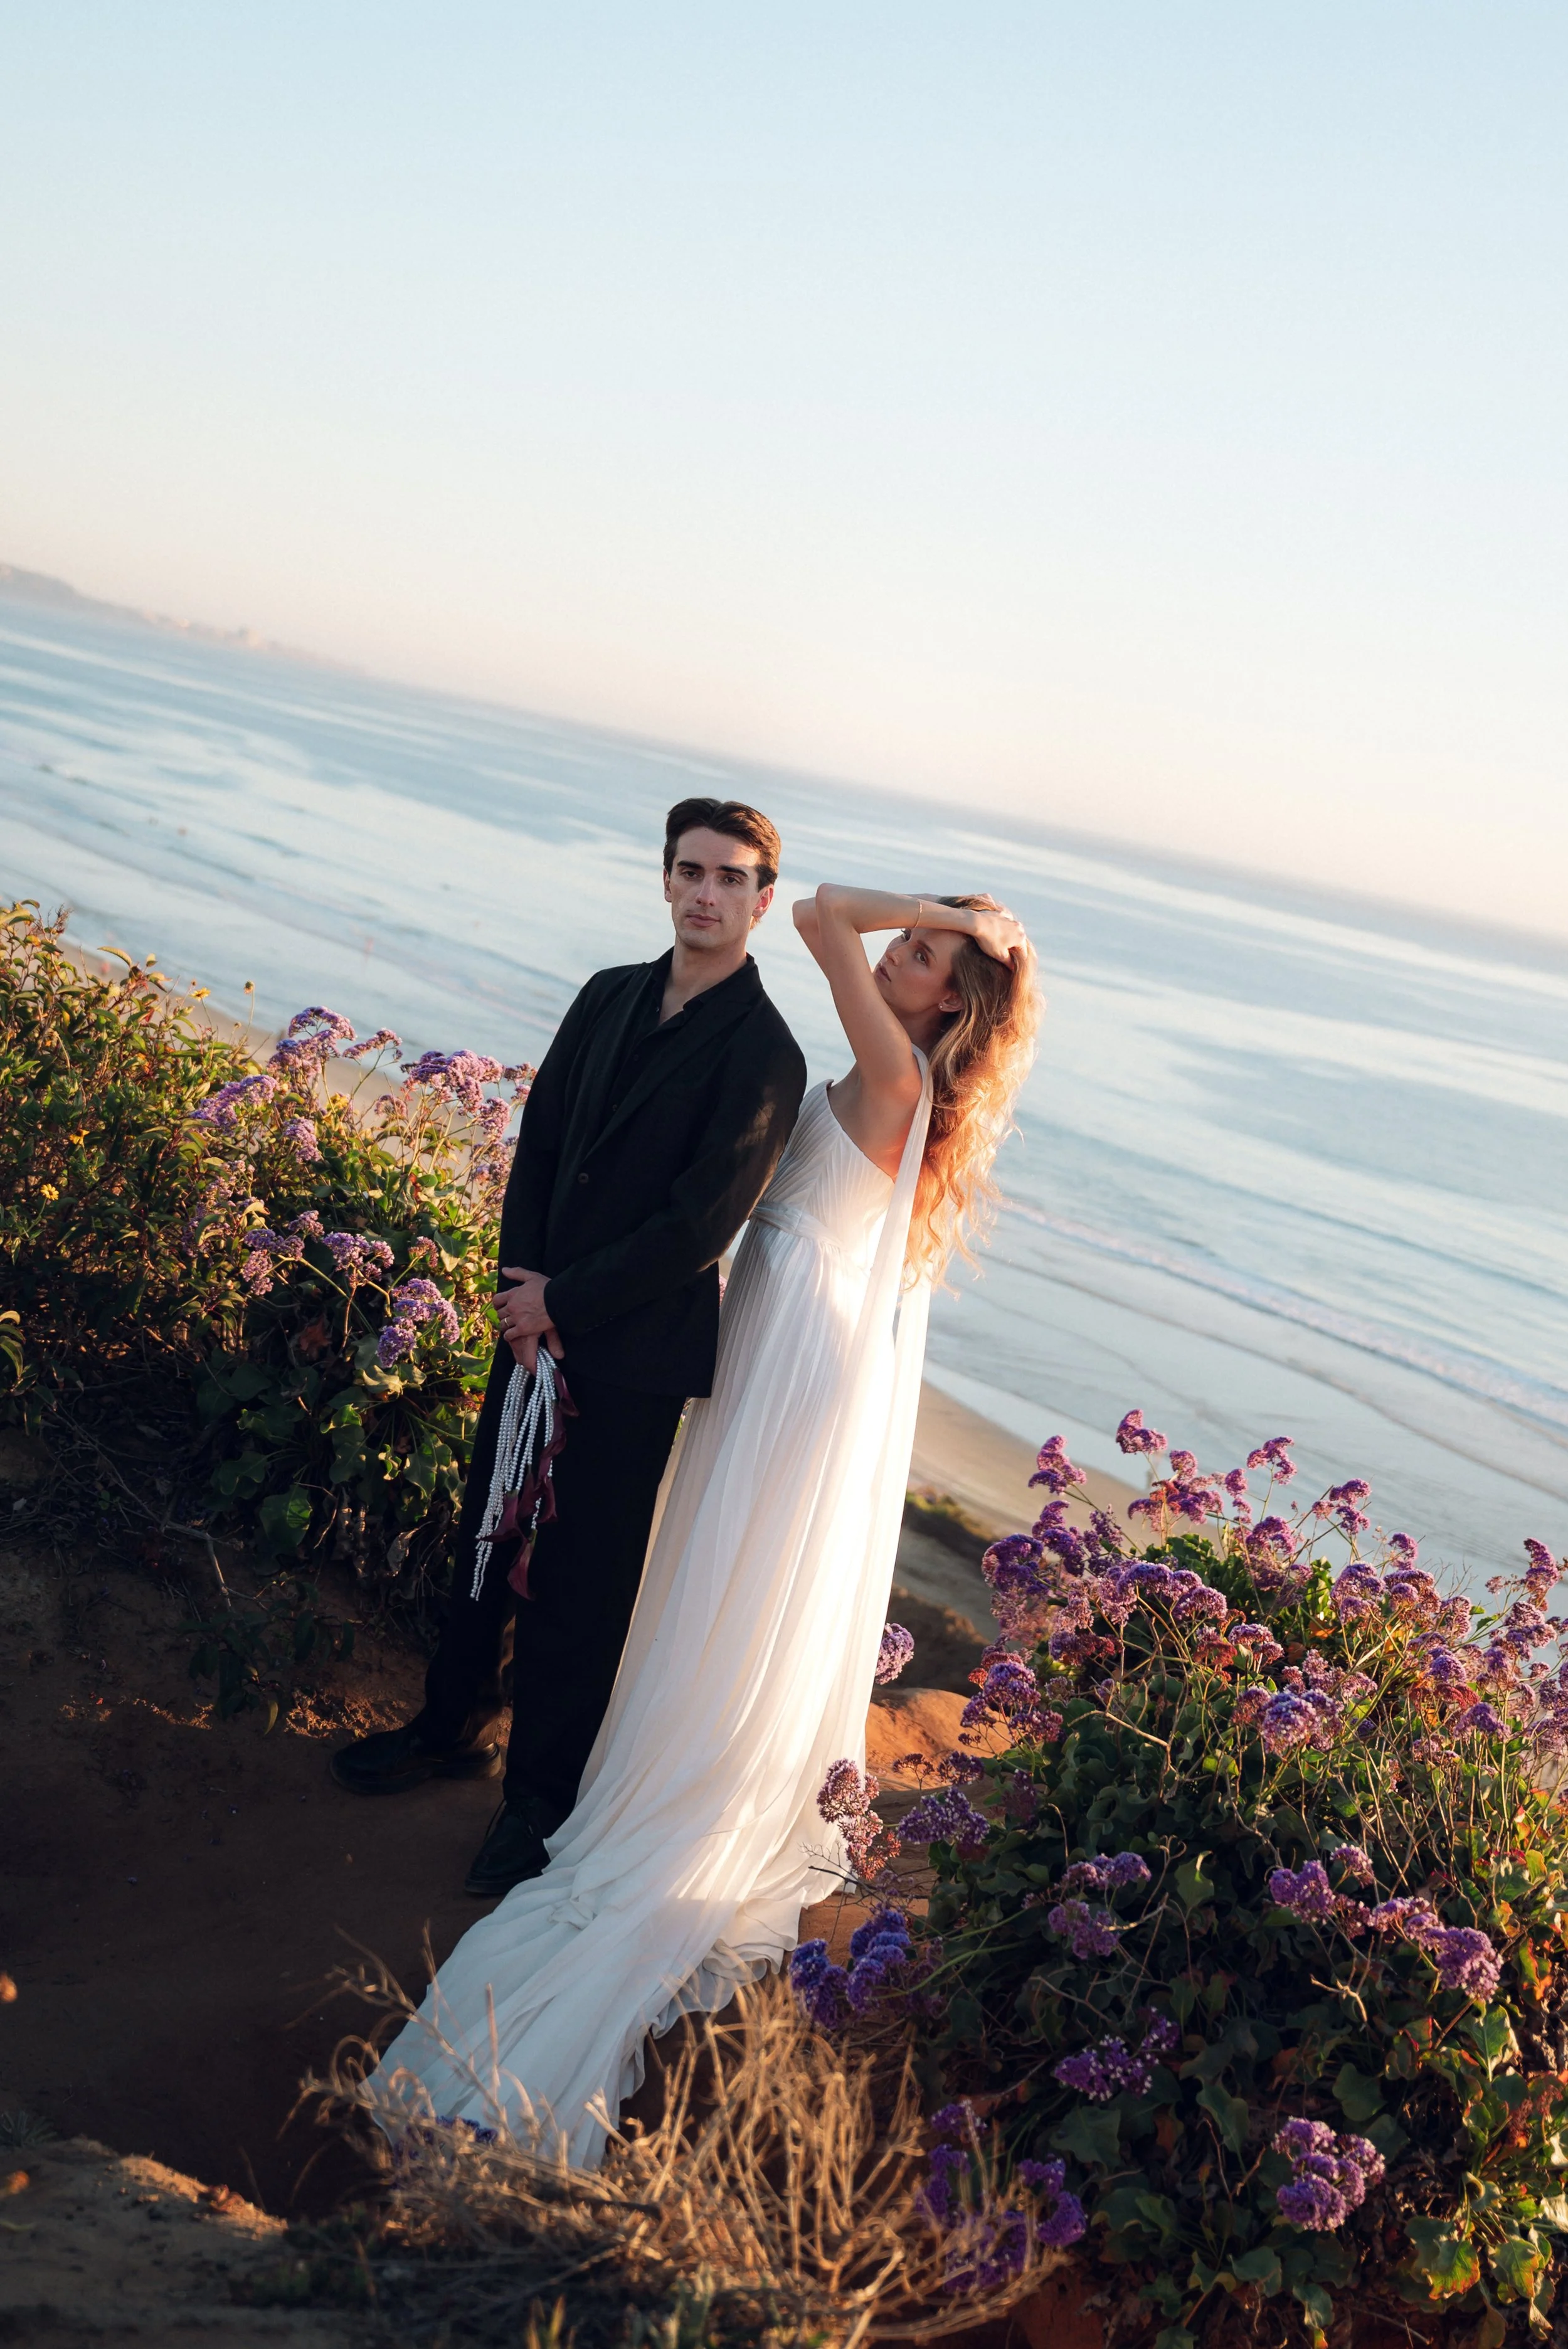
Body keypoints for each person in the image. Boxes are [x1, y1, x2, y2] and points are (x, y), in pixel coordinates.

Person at [366, 881, 1039, 2163]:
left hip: (793, 1359)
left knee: (732, 1565)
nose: (895, 953)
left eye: (924, 953)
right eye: (907, 943)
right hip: (779, 1341)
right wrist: (965, 922)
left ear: (946, 997)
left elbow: (819, 914)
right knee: (720, 1568)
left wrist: (936, 906)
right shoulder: (877, 1072)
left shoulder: (891, 1070)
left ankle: (685, 1783)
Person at [331, 798, 807, 1896]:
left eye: (731, 879)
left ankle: (537, 1801)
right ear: (665, 879)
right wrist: (518, 1295)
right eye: (690, 870)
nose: (705, 892)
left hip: (630, 1358)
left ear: (763, 902)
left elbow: (700, 1226)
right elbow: (541, 1141)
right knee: (486, 1536)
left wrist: (564, 1305)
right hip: (531, 1324)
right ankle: (446, 1724)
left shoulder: (767, 1057)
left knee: (580, 1587)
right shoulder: (606, 994)